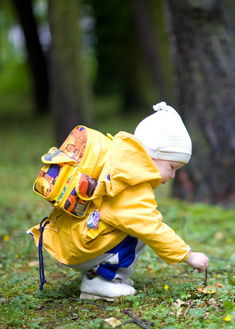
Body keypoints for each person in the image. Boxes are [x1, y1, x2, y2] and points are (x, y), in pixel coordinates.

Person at [28, 102, 209, 300]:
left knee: (133, 227)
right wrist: (188, 256)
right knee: (138, 231)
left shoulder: (119, 162)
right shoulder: (131, 183)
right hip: (80, 246)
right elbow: (151, 228)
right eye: (172, 166)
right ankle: (100, 282)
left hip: (70, 236)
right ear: (154, 155)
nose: (173, 175)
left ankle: (98, 274)